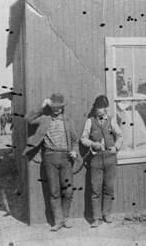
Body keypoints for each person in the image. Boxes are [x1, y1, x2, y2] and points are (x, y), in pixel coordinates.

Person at [23, 93, 79, 231]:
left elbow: (74, 140)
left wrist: (75, 151)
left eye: (59, 107)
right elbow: (28, 119)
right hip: (49, 158)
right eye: (54, 107)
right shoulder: (44, 119)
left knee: (68, 190)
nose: (56, 110)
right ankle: (58, 221)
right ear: (50, 107)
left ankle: (66, 217)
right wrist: (42, 107)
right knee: (54, 191)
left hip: (66, 158)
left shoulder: (67, 121)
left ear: (63, 108)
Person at [80, 95, 123, 227]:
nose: (100, 110)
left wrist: (116, 147)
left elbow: (120, 136)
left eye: (102, 107)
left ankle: (107, 214)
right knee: (95, 188)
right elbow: (83, 138)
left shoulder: (111, 120)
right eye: (98, 107)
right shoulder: (90, 121)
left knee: (109, 187)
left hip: (110, 158)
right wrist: (92, 144)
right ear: (95, 108)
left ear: (106, 108)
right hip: (95, 159)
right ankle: (96, 218)